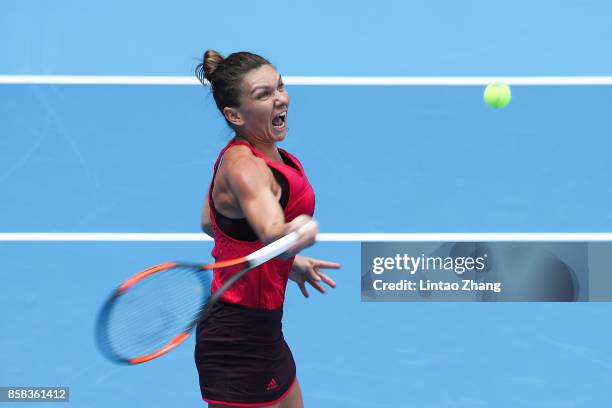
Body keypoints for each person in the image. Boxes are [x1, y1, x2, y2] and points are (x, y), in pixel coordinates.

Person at [194, 50, 340, 408]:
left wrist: (287, 262)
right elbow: (274, 231)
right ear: (234, 115)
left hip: (265, 328)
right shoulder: (246, 168)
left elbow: (210, 222)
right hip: (237, 339)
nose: (281, 98)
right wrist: (295, 232)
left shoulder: (267, 154)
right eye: (263, 95)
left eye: (280, 86)